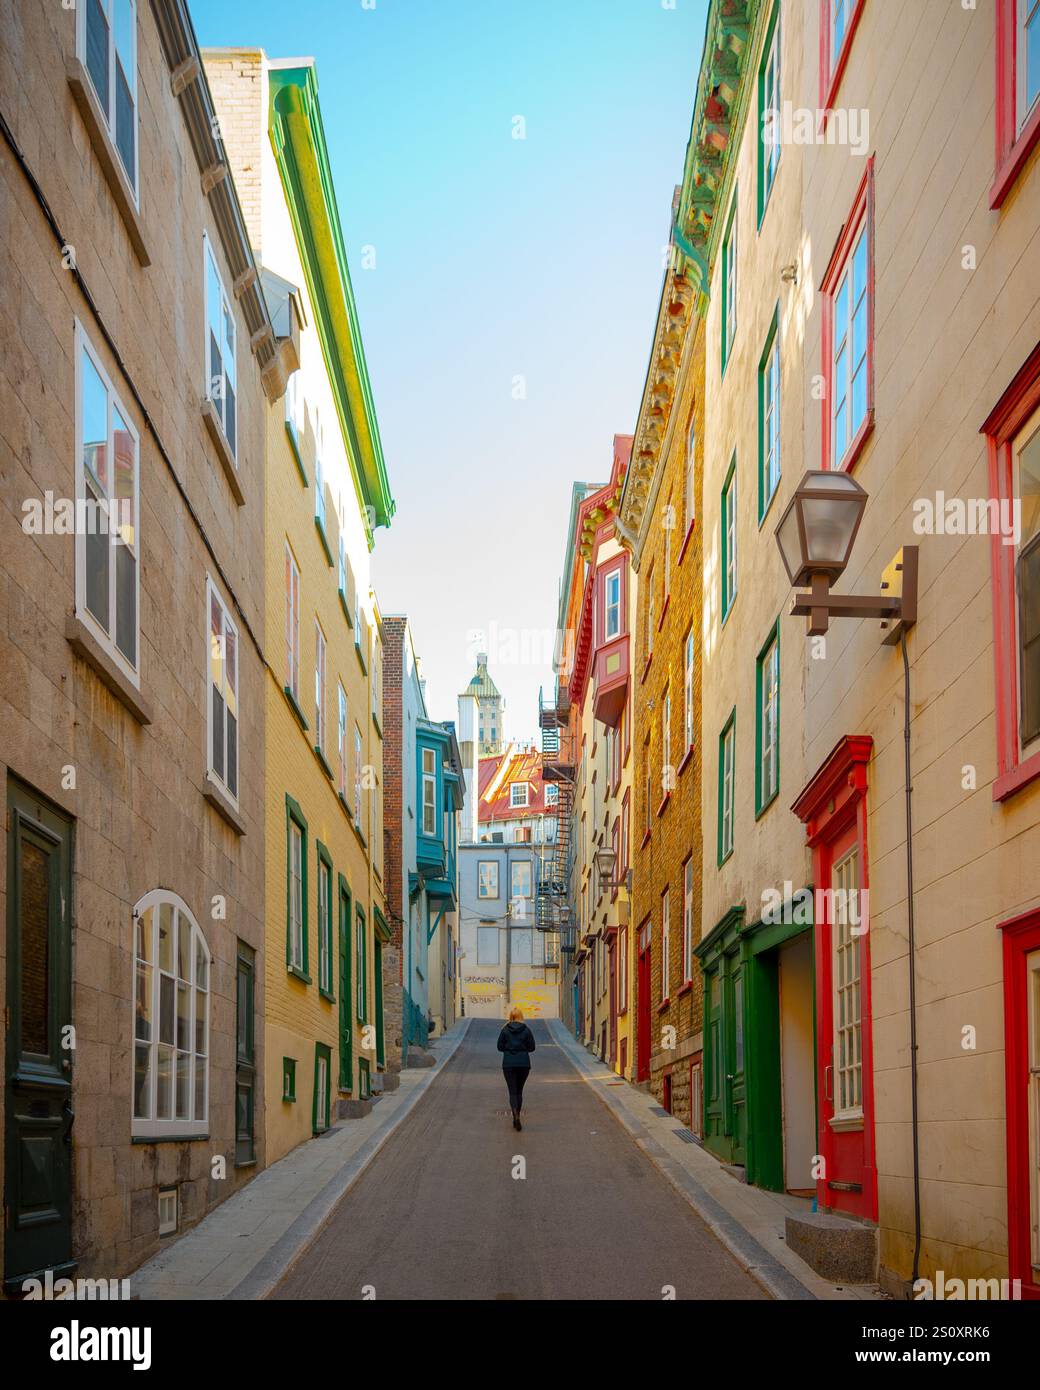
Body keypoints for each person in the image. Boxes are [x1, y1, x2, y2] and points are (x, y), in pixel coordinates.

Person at [497, 1006, 536, 1130]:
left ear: (510, 1017)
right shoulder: (526, 1030)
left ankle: (515, 1116)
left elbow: (499, 1047)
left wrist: (509, 1049)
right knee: (519, 1091)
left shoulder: (504, 1030)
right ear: (521, 1017)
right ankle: (517, 1115)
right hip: (524, 1064)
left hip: (508, 1064)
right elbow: (532, 1047)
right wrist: (522, 1049)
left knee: (512, 1091)